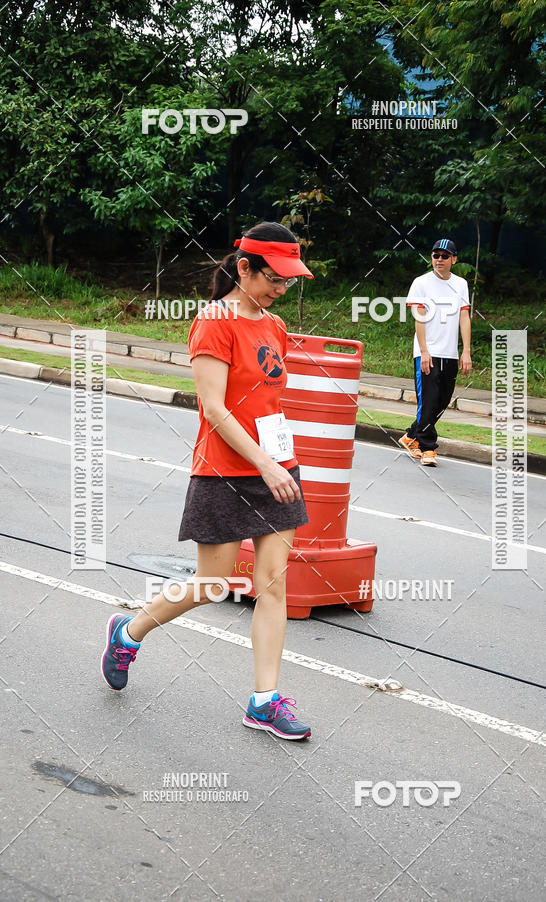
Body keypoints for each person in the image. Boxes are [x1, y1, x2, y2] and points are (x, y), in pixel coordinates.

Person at [101, 221, 314, 740]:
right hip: (226, 471)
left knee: (273, 582)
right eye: (274, 278)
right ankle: (129, 631)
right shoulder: (213, 321)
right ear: (244, 268)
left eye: (288, 280)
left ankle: (264, 702)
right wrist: (263, 463)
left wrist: (278, 461)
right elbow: (214, 409)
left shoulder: (275, 325)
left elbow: (267, 400)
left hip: (276, 468)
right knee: (213, 585)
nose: (281, 289)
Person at [400, 238, 472, 467]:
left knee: (442, 402)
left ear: (454, 259)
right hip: (427, 352)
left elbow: (464, 318)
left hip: (450, 354)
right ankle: (428, 448)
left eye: (444, 256)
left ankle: (411, 436)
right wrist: (424, 351)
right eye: (435, 255)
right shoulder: (421, 283)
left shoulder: (460, 284)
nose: (439, 259)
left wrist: (466, 351)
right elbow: (419, 318)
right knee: (429, 400)